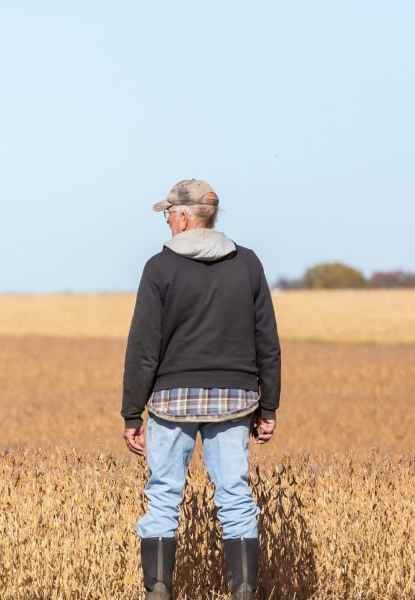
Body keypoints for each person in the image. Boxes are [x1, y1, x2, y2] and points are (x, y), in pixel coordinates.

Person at [121, 179, 281, 600]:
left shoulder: (160, 268)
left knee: (162, 499)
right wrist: (269, 406)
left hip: (171, 399)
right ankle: (244, 593)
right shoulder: (248, 264)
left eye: (168, 213)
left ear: (186, 217)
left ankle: (158, 593)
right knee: (235, 496)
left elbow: (143, 346)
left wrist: (132, 414)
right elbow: (267, 338)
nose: (167, 221)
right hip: (235, 398)